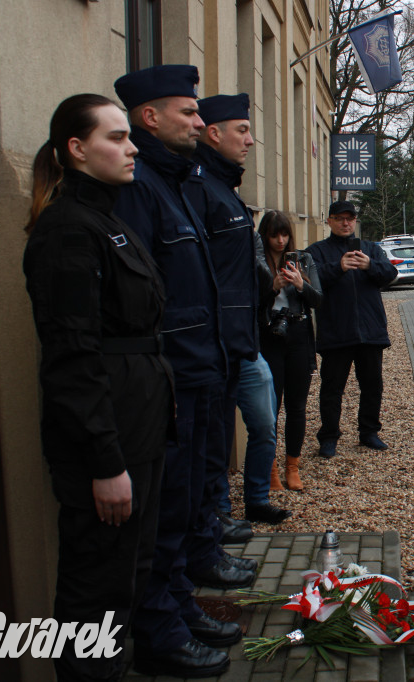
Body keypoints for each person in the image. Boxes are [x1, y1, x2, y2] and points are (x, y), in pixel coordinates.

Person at [23, 93, 173, 682]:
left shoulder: (107, 220)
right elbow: (70, 359)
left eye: (127, 135)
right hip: (107, 442)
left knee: (128, 577)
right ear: (76, 149)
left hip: (138, 426)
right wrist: (105, 462)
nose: (131, 145)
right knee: (96, 596)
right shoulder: (67, 231)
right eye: (116, 136)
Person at [112, 64, 246, 678]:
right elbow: (140, 298)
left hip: (197, 372)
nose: (200, 120)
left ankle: (178, 607)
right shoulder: (139, 187)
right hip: (171, 379)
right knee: (165, 514)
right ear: (150, 118)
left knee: (187, 501)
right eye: (189, 113)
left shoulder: (177, 182)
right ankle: (160, 629)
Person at [182, 93, 290, 525]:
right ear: (214, 133)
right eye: (242, 131)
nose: (250, 140)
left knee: (264, 426)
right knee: (216, 436)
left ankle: (256, 500)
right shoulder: (198, 190)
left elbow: (244, 272)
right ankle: (221, 515)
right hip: (217, 345)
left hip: (245, 344)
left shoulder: (226, 192)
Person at [306, 201, 397, 459]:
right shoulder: (318, 251)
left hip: (370, 331)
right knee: (332, 388)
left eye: (350, 219)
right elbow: (310, 282)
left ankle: (369, 432)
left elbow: (390, 273)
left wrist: (370, 265)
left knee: (372, 386)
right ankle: (329, 437)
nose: (346, 223)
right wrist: (339, 267)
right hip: (336, 331)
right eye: (340, 219)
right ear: (330, 221)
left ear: (355, 221)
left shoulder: (370, 249)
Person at [258, 210, 323, 481]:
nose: (281, 241)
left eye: (285, 234)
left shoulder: (304, 260)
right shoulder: (257, 261)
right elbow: (248, 302)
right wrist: (272, 287)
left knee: (296, 406)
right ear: (265, 236)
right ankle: (271, 468)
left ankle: (292, 466)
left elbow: (318, 299)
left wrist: (300, 285)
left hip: (298, 335)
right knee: (270, 407)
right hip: (269, 336)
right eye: (275, 235)